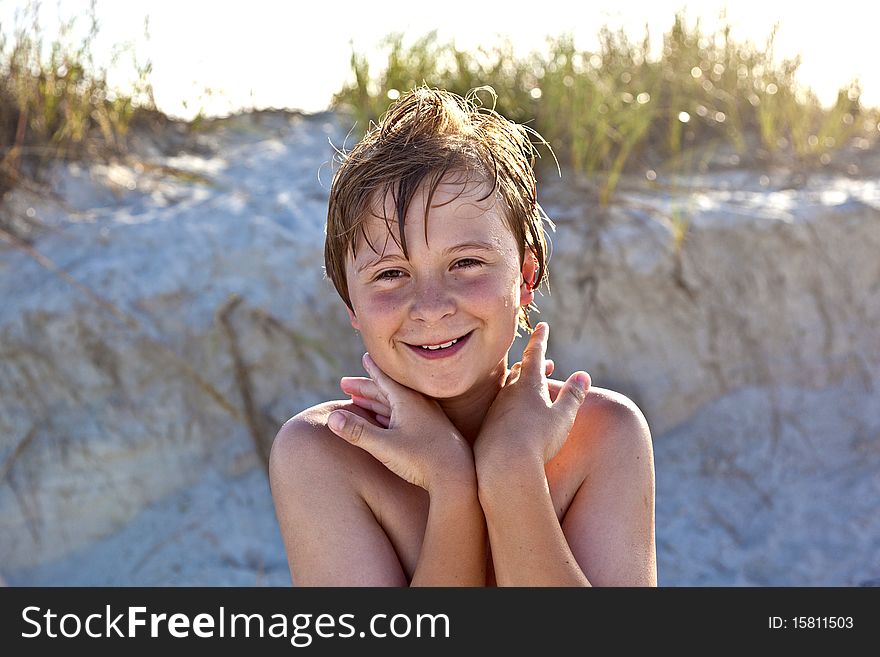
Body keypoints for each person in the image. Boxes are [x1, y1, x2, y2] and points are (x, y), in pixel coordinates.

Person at [269, 86, 656, 586]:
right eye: (390, 274)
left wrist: (512, 474)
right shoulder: (326, 452)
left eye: (466, 263)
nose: (430, 308)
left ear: (525, 280)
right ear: (351, 304)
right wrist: (453, 485)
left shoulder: (605, 434)